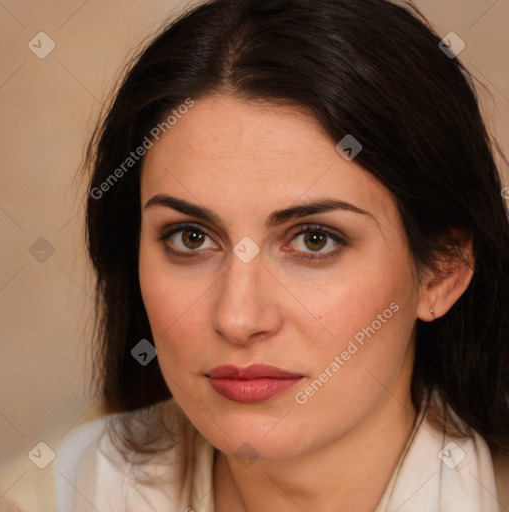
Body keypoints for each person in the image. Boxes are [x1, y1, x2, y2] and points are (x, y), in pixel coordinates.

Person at [55, 0, 509, 510]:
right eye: (191, 237)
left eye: (315, 239)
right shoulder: (59, 491)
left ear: (442, 270)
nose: (238, 318)